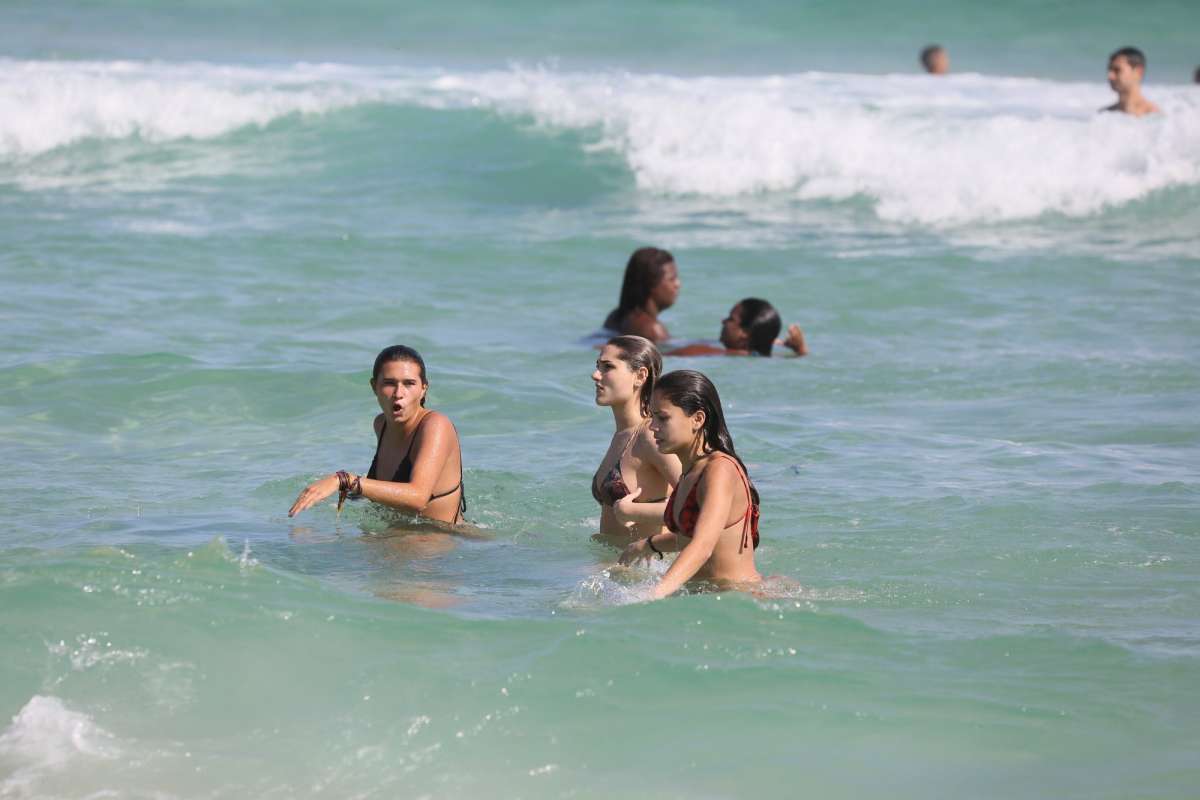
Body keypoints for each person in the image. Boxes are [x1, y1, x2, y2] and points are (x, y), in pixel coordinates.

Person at [619, 370, 762, 599]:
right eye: (652, 416)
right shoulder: (691, 470)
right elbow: (691, 537)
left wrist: (653, 594)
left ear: (697, 419)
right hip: (707, 598)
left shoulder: (719, 469)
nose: (652, 426)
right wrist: (648, 545)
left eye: (662, 418)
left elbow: (703, 546)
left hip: (738, 598)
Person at [288, 345, 467, 525]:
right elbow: (381, 493)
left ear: (423, 389)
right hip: (396, 540)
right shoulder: (381, 425)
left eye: (409, 383)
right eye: (389, 383)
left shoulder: (435, 426)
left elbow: (418, 497)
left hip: (440, 543)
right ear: (374, 386)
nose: (398, 393)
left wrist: (344, 480)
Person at [592, 336, 682, 543]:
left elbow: (700, 505)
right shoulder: (623, 434)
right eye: (597, 366)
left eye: (608, 367)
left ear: (640, 376)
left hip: (643, 569)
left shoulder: (651, 436)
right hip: (613, 564)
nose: (595, 375)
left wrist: (635, 511)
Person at [667, 298, 807, 357]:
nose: (724, 321)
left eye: (731, 319)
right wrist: (800, 350)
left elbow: (684, 353)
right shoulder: (768, 355)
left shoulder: (715, 352)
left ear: (745, 333)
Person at [602, 247, 681, 344]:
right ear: (651, 284)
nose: (678, 284)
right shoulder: (653, 330)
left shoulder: (615, 317)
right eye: (672, 279)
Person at [1103, 47, 1160, 116]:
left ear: (1138, 71)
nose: (1110, 76)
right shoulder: (1104, 115)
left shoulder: (1153, 116)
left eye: (1117, 70)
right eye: (1109, 70)